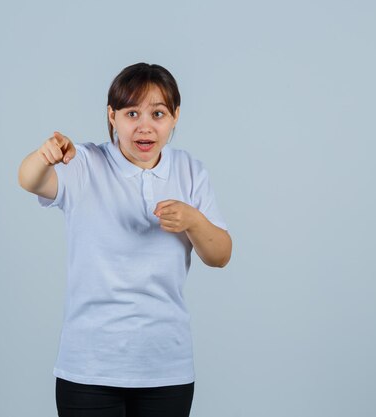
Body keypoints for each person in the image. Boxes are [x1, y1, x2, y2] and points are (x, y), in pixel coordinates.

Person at [17, 63, 232, 417]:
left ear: (175, 117)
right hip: (89, 366)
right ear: (112, 116)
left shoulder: (190, 171)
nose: (145, 125)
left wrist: (193, 220)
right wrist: (45, 156)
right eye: (132, 113)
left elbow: (220, 255)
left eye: (158, 113)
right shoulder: (85, 163)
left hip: (166, 367)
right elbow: (29, 180)